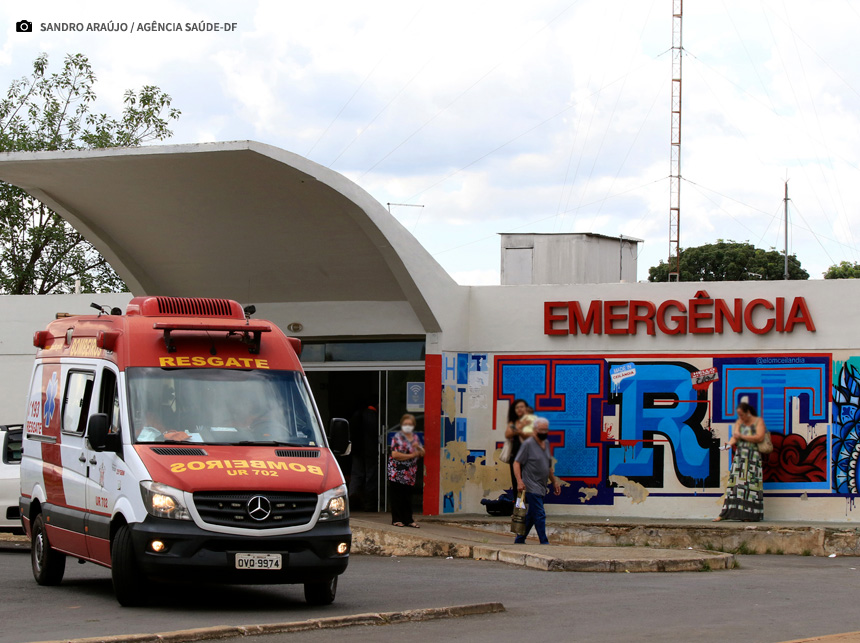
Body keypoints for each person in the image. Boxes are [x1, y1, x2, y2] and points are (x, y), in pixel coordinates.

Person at [714, 401, 766, 522]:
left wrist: (742, 436)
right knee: (735, 485)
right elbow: (735, 437)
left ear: (748, 412)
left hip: (753, 457)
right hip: (740, 458)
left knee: (751, 486)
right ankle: (726, 513)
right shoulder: (739, 422)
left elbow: (759, 437)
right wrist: (729, 444)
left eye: (741, 414)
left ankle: (750, 515)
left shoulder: (758, 421)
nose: (740, 417)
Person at [513, 416, 561, 544]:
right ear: (535, 429)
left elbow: (548, 466)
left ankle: (519, 539)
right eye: (541, 430)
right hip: (530, 485)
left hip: (541, 486)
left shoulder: (546, 444)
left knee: (531, 516)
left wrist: (554, 481)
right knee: (540, 514)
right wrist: (519, 481)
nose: (544, 433)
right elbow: (516, 463)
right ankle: (544, 542)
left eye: (546, 430)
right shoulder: (528, 444)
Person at [388, 413, 424, 528]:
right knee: (397, 496)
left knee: (407, 497)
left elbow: (421, 452)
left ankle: (408, 519)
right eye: (405, 424)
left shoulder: (415, 438)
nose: (407, 426)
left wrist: (419, 449)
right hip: (397, 473)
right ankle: (397, 519)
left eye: (410, 424)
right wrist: (411, 455)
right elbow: (395, 454)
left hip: (410, 474)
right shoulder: (397, 437)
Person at [348, 402, 380, 511]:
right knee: (370, 476)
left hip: (357, 450)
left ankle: (351, 500)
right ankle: (369, 503)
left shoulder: (357, 414)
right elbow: (375, 434)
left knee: (356, 475)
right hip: (370, 451)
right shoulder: (373, 416)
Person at [504, 399, 529, 496]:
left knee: (530, 482)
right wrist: (520, 430)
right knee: (517, 482)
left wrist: (518, 430)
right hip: (515, 456)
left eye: (521, 407)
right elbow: (508, 434)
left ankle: (532, 507)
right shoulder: (513, 422)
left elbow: (532, 435)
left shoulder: (531, 421)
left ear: (526, 408)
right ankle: (519, 508)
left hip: (529, 457)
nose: (519, 409)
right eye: (517, 407)